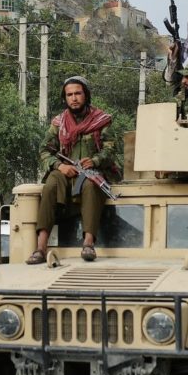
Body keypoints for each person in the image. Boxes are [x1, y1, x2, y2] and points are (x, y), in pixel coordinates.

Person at [30, 76, 115, 264]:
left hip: (92, 172)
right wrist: (60, 165)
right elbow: (44, 149)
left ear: (86, 95)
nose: (74, 98)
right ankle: (41, 247)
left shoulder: (101, 120)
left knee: (91, 187)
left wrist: (94, 160)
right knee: (51, 183)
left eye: (78, 93)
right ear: (65, 98)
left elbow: (111, 149)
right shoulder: (58, 123)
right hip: (66, 172)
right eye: (69, 95)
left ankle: (88, 243)